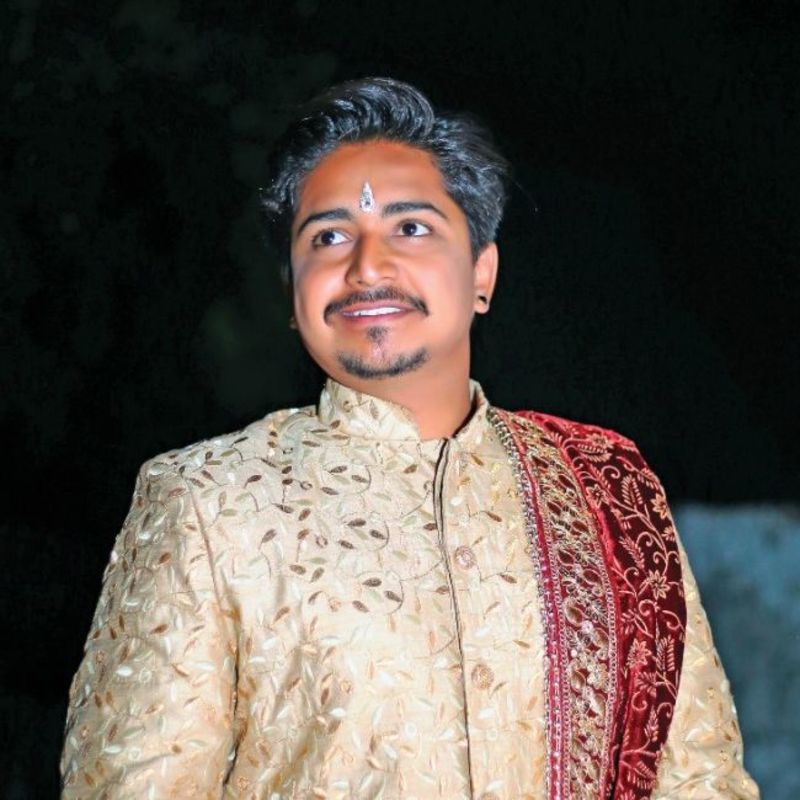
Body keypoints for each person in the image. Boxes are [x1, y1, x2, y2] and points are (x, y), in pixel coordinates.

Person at [60, 77, 759, 800]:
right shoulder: (206, 502)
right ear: (293, 293)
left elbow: (699, 777)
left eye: (412, 228)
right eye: (328, 237)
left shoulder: (606, 489)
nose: (366, 266)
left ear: (482, 273)